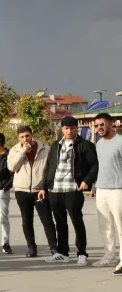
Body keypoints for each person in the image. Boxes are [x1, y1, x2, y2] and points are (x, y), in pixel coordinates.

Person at [39, 116, 98, 265]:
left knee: (77, 221)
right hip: (55, 189)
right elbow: (49, 168)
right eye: (66, 128)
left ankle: (82, 253)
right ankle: (63, 253)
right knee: (60, 222)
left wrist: (87, 181)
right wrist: (43, 187)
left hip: (73, 189)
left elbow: (94, 166)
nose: (69, 131)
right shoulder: (55, 145)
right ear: (62, 129)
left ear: (76, 128)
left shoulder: (85, 145)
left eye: (72, 128)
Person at [8, 125, 56, 258]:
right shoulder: (15, 150)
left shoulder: (45, 149)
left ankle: (53, 247)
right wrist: (22, 152)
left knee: (47, 220)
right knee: (26, 220)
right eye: (22, 137)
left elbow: (51, 169)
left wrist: (44, 187)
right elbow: (12, 167)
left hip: (40, 190)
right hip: (22, 190)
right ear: (19, 138)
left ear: (32, 134)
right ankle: (31, 247)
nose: (25, 139)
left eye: (27, 136)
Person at [92, 113, 122, 271]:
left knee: (120, 226)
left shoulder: (120, 142)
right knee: (105, 225)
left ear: (111, 123)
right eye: (97, 126)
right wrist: (95, 187)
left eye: (102, 124)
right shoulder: (99, 144)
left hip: (118, 189)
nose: (99, 128)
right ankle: (109, 257)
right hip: (101, 188)